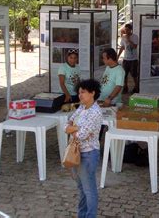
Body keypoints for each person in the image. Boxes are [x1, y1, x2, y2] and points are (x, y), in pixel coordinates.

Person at [65, 79, 103, 218]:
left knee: (89, 190)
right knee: (82, 189)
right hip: (77, 153)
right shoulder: (82, 107)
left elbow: (81, 134)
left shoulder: (95, 112)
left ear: (92, 93)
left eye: (83, 92)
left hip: (88, 154)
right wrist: (73, 127)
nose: (80, 95)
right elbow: (67, 123)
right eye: (79, 92)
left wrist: (72, 129)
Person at [117, 23, 139, 94]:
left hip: (133, 59)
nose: (126, 31)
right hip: (126, 59)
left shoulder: (135, 37)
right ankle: (125, 87)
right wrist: (118, 56)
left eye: (127, 30)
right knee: (124, 75)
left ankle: (136, 87)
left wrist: (129, 40)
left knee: (134, 75)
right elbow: (122, 47)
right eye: (125, 30)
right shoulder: (123, 37)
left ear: (131, 30)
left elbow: (135, 46)